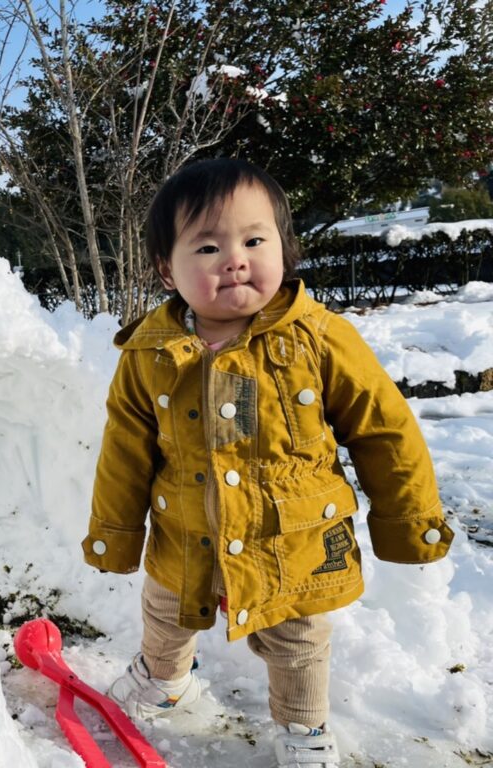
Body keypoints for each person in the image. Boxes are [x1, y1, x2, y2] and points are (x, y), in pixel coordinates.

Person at [82, 158, 453, 768]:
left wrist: (408, 519)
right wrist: (117, 532)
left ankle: (304, 731)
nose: (235, 258)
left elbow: (384, 429)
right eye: (207, 246)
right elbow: (124, 449)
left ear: (284, 247)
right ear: (164, 268)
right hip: (185, 531)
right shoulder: (149, 353)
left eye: (255, 240)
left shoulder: (319, 337)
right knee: (166, 611)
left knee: (298, 638)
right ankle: (162, 680)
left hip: (292, 537)